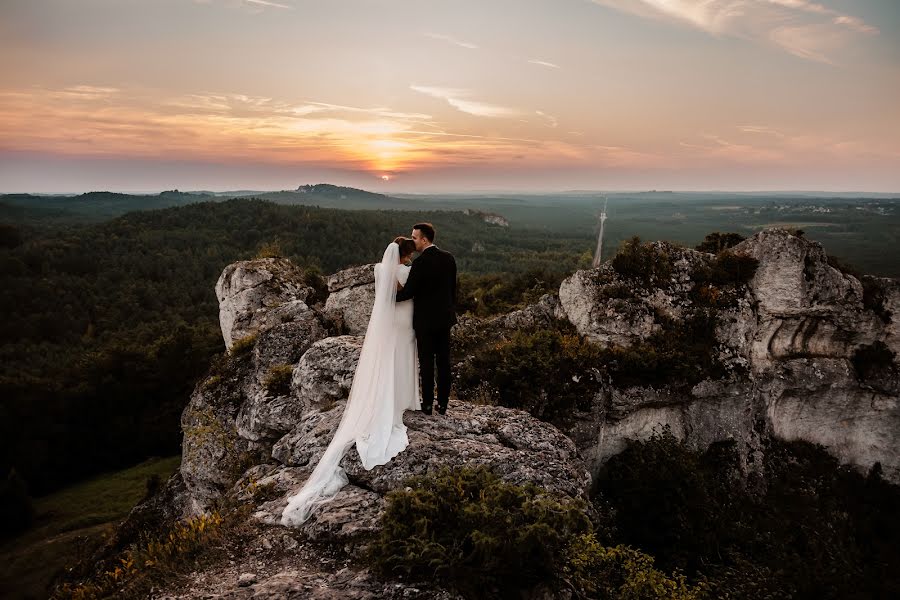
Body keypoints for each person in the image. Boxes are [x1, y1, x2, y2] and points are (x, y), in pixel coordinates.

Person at [281, 237, 419, 526]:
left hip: (386, 323)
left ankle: (390, 397)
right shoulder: (406, 272)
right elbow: (412, 292)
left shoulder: (381, 270)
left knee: (387, 360)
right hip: (405, 321)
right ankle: (403, 398)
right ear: (406, 254)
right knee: (403, 357)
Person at [396, 223, 457, 415]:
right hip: (445, 319)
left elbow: (408, 293)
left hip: (425, 322)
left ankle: (428, 404)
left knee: (427, 362)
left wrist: (387, 298)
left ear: (424, 239)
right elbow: (453, 290)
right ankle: (444, 404)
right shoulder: (449, 258)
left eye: (414, 237)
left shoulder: (420, 263)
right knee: (444, 362)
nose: (412, 241)